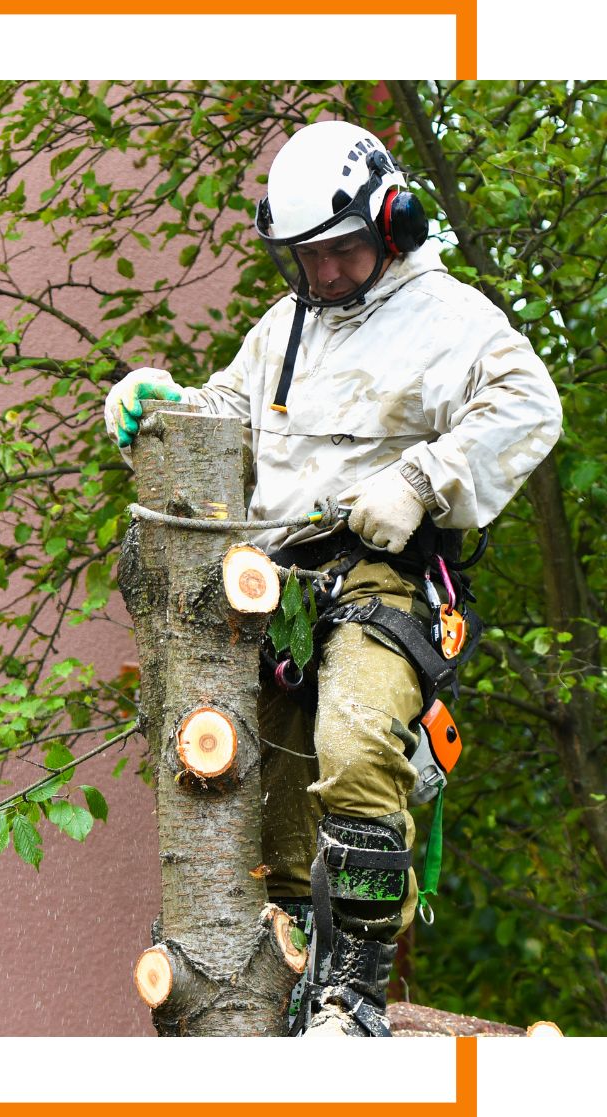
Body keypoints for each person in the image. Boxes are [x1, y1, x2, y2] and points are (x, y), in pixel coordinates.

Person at [104, 120, 563, 1036]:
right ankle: (290, 995)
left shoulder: (450, 318)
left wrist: (422, 479)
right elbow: (231, 409)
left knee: (355, 752)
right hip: (280, 590)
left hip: (384, 581)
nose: (323, 272)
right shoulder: (288, 326)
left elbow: (529, 405)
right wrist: (167, 404)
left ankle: (353, 994)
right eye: (306, 256)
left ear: (393, 223)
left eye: (341, 251)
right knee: (266, 792)